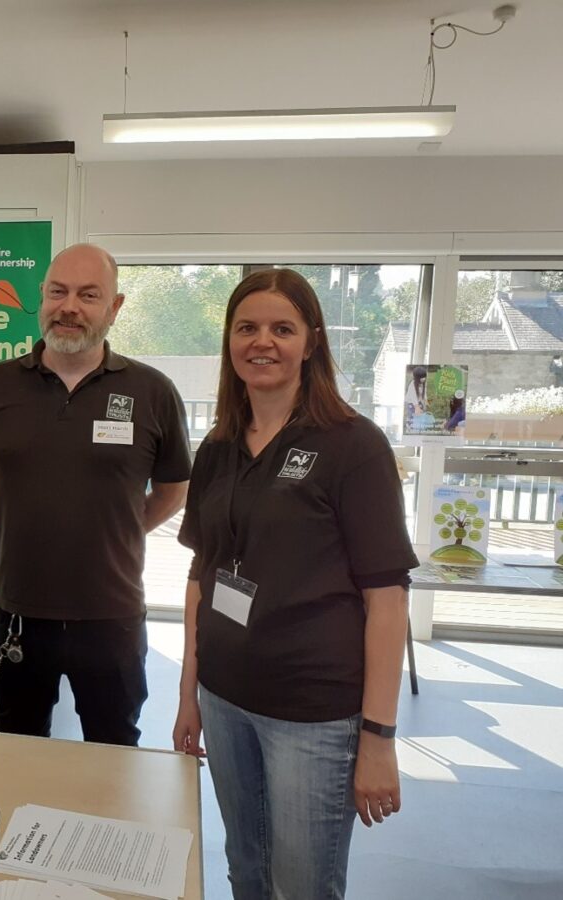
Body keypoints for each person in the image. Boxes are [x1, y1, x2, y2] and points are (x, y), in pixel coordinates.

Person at [172, 268, 417, 899]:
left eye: (283, 328)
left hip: (313, 716)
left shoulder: (352, 446)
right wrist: (188, 692)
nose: (264, 342)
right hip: (225, 699)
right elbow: (202, 573)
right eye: (247, 327)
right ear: (229, 342)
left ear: (312, 341)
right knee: (246, 873)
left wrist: (379, 739)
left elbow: (387, 600)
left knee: (301, 887)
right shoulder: (219, 447)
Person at [0, 243, 191, 746]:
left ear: (115, 307)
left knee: (113, 751)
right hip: (19, 614)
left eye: (89, 295)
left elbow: (174, 490)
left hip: (112, 618)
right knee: (17, 747)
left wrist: (118, 526)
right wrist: (26, 523)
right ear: (41, 297)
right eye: (58, 292)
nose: (70, 307)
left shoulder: (153, 392)